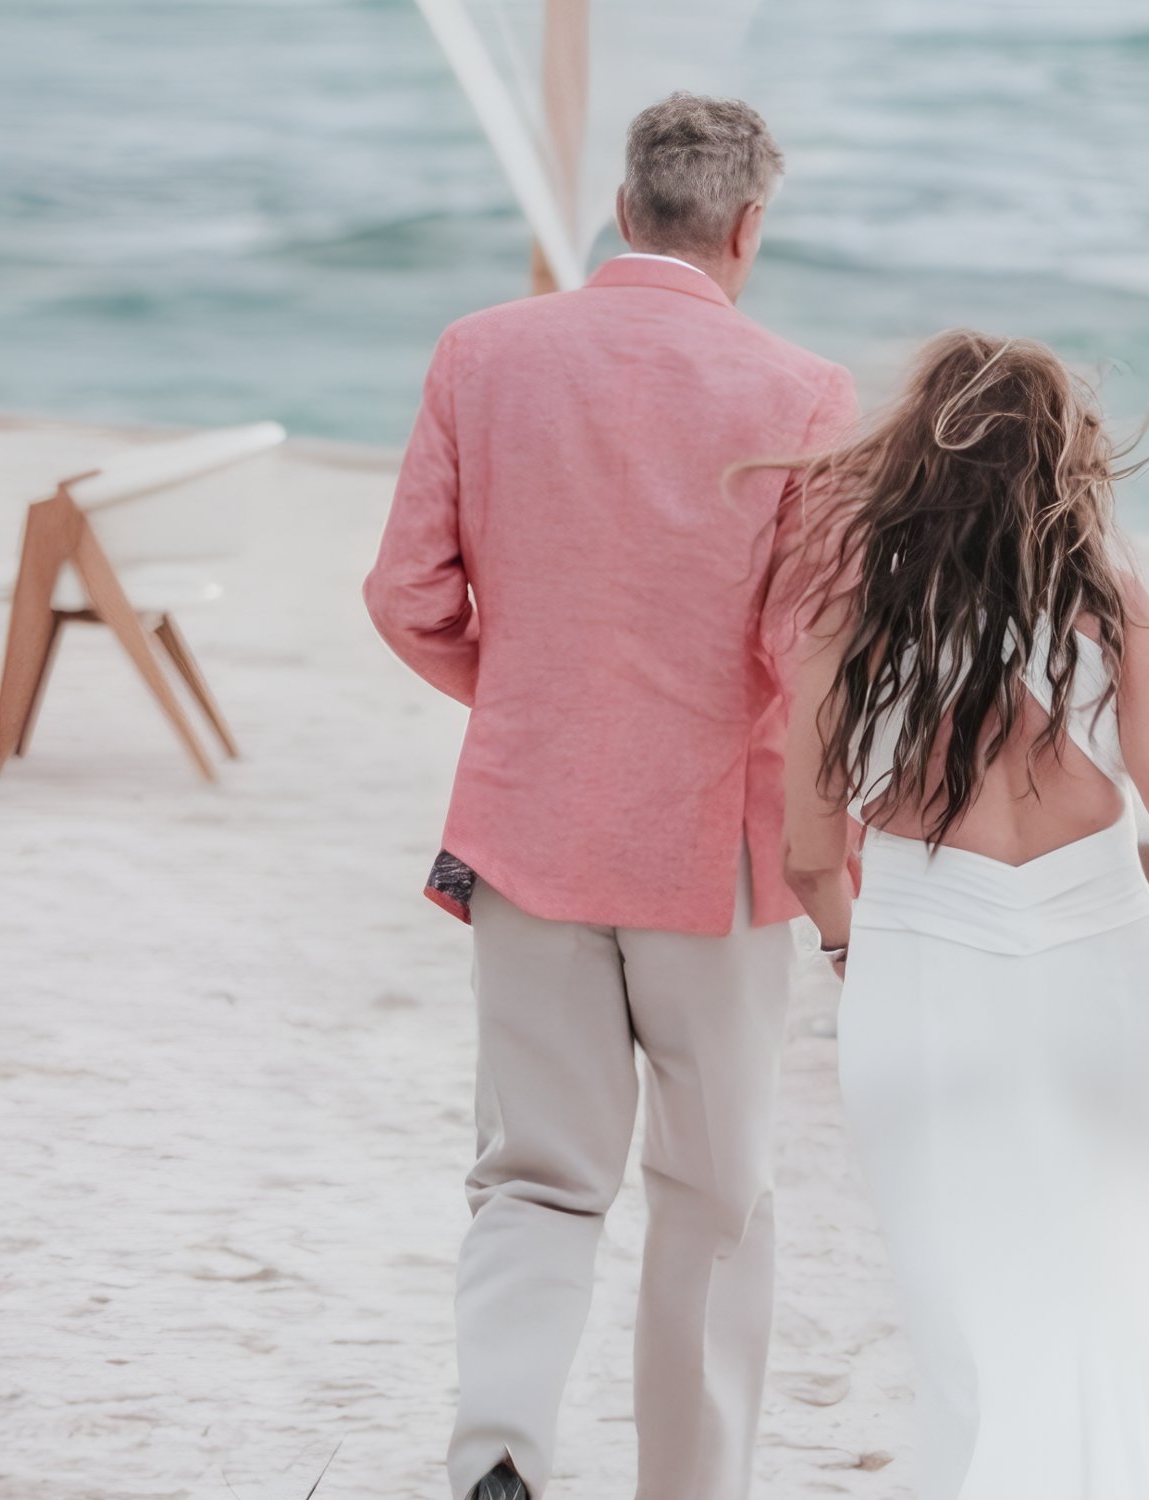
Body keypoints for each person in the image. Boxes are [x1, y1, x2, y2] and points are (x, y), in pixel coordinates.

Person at [363, 93, 855, 1500]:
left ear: (626, 210)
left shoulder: (481, 354)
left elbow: (405, 597)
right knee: (710, 1199)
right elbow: (809, 661)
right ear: (748, 228)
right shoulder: (804, 393)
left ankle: (500, 1459)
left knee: (533, 1176)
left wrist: (532, 704)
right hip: (718, 859)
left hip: (528, 829)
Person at [774, 331, 1149, 1495]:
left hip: (921, 988)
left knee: (956, 1303)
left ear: (915, 462)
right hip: (1096, 987)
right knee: (1101, 1275)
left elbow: (805, 849)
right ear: (1057, 464)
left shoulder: (854, 620)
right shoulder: (1106, 602)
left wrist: (850, 943)